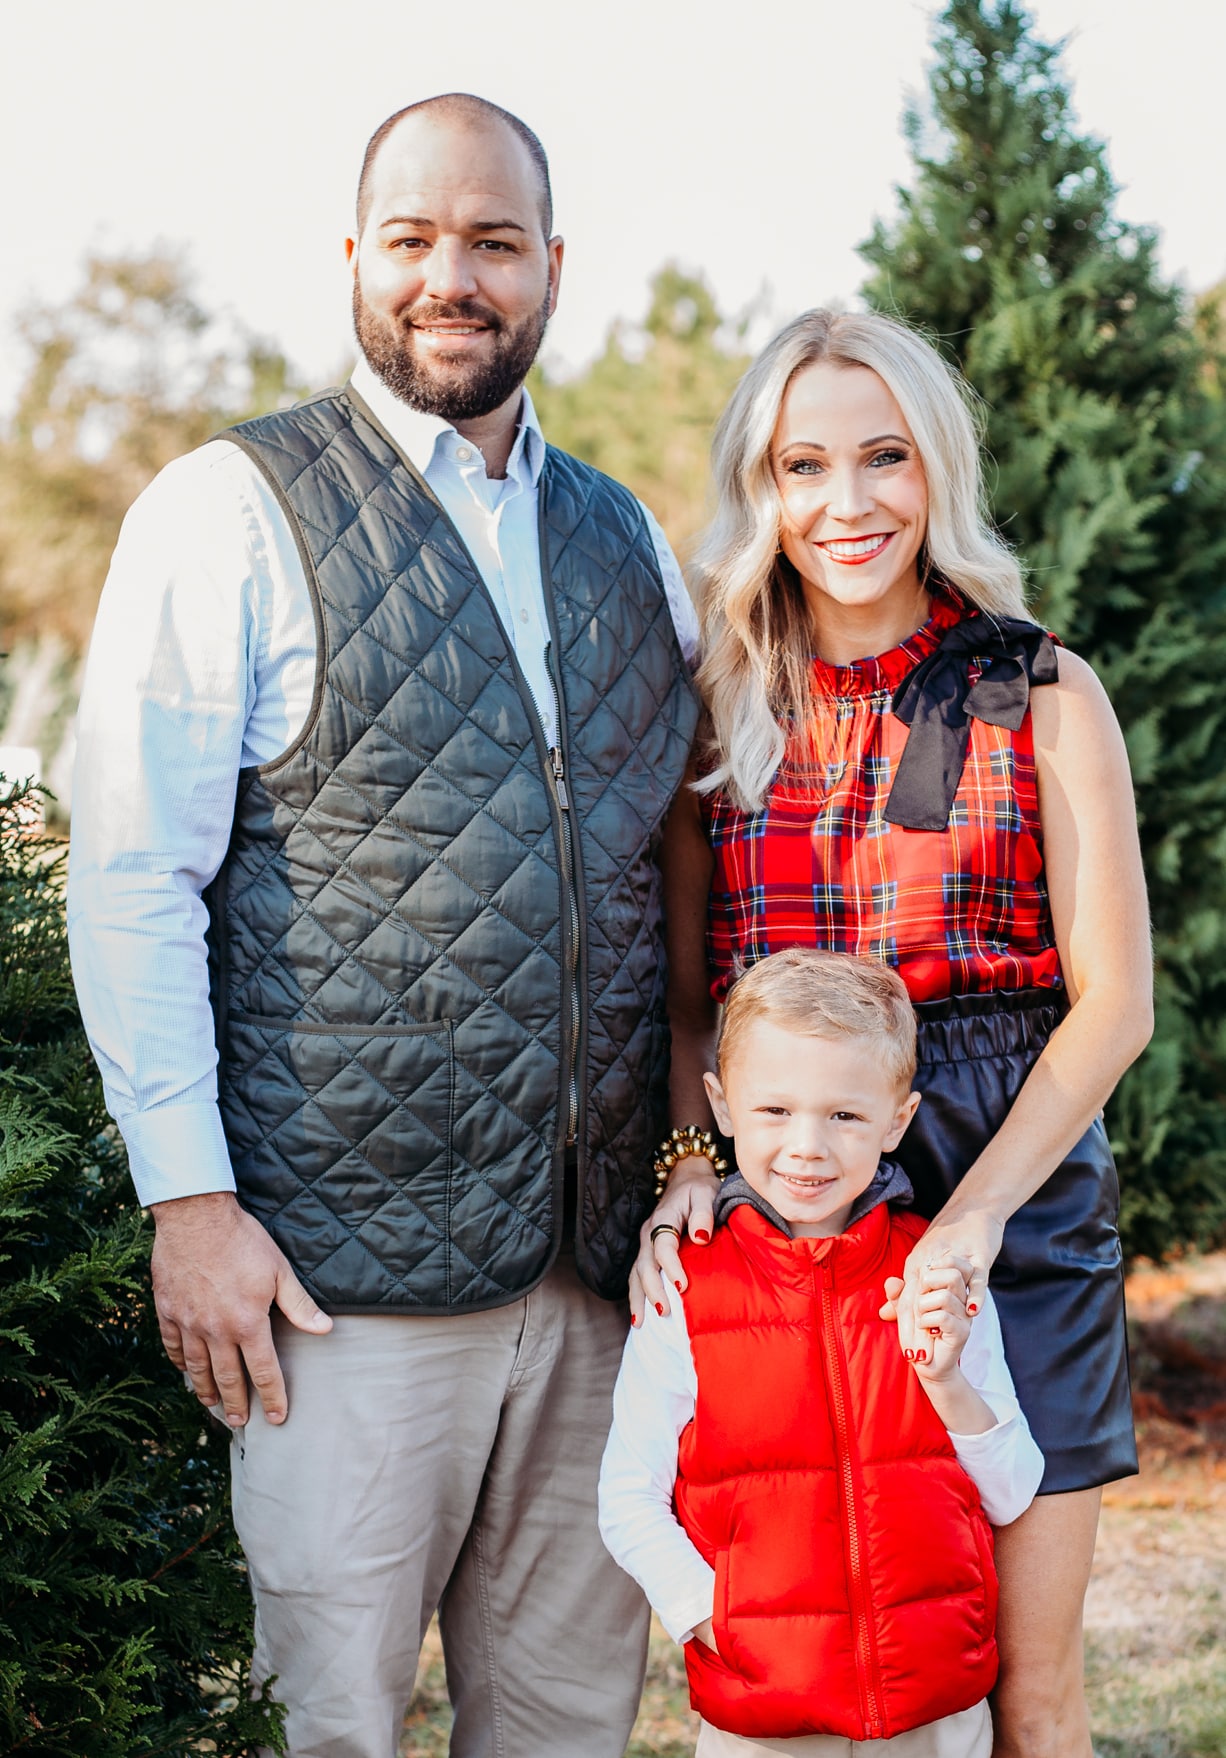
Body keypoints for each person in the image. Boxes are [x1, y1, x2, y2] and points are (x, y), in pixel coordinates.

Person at [67, 93, 700, 1758]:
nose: (452, 276)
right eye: (414, 238)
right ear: (356, 256)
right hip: (333, 1291)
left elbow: (674, 860)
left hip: (596, 1281)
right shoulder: (227, 509)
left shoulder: (627, 536)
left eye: (493, 241)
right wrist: (188, 1200)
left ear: (551, 268)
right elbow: (133, 875)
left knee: (565, 1724)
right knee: (332, 1726)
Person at [632, 308, 1153, 1758]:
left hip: (1009, 1185)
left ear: (936, 468)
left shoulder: (1036, 688)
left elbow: (1114, 1000)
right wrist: (691, 1159)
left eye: (883, 457)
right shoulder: (714, 703)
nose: (845, 502)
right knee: (814, 1683)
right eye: (803, 465)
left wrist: (973, 1219)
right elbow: (689, 1000)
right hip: (789, 1195)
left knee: (1023, 1696)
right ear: (761, 488)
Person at [601, 948, 1044, 1758]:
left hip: (935, 1710)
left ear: (897, 1121)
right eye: (774, 1111)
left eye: (844, 1116)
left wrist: (946, 1382)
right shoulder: (684, 1290)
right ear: (723, 1107)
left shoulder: (936, 1275)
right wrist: (715, 1618)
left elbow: (1013, 1493)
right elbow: (627, 1497)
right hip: (764, 1714)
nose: (807, 1147)